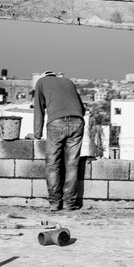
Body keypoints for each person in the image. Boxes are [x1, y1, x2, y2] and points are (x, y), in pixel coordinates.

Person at [32, 70, 85, 211]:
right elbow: (82, 109)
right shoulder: (68, 81)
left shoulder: (41, 82)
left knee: (53, 164)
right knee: (72, 164)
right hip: (77, 121)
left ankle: (55, 203)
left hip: (56, 122)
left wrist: (37, 134)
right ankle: (69, 203)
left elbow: (39, 108)